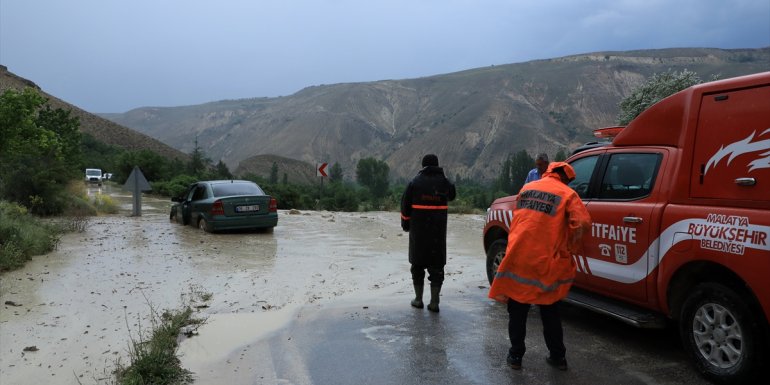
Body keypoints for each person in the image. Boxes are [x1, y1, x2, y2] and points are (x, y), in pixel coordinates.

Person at [489, 161, 591, 371]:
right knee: (549, 311)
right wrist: (569, 247)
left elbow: (520, 220)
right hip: (546, 262)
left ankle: (515, 357)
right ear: (565, 178)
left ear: (548, 172)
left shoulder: (527, 188)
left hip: (518, 257)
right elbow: (581, 223)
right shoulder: (567, 194)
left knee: (517, 311)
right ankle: (558, 358)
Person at [400, 154, 456, 312]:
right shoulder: (444, 182)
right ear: (437, 165)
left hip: (418, 233)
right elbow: (452, 195)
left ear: (423, 165)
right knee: (437, 267)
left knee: (417, 266)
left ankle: (418, 299)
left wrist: (405, 224)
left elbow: (405, 205)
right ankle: (434, 302)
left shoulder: (415, 182)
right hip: (438, 234)